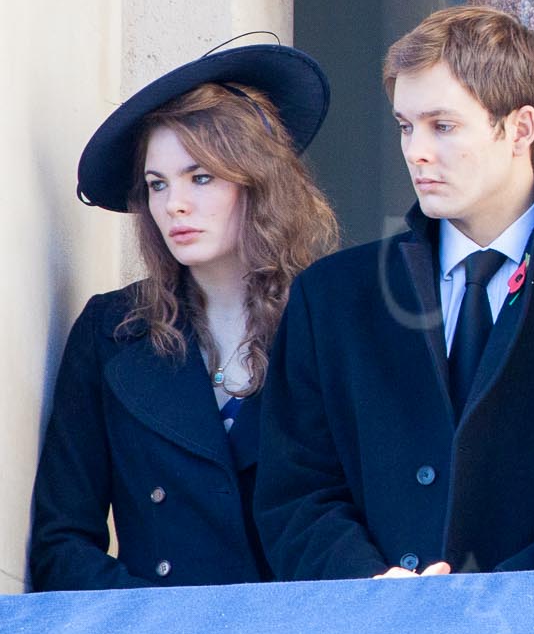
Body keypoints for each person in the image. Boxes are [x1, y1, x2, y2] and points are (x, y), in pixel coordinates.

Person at [256, 5, 534, 578]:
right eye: (405, 125)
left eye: (442, 126)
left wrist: (496, 594)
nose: (416, 150)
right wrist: (367, 584)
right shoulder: (332, 295)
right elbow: (295, 490)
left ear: (520, 128)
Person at [31, 44, 339, 589]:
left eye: (200, 178)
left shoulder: (332, 322)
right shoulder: (113, 331)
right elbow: (61, 544)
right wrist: (157, 626)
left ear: (258, 181)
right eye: (157, 184)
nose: (174, 204)